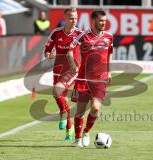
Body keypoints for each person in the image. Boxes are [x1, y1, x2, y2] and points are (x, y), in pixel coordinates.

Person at [68, 9, 113, 147]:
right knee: (80, 111)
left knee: (95, 108)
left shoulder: (109, 37)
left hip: (100, 79)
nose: (103, 23)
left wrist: (109, 72)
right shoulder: (83, 36)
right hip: (83, 79)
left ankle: (87, 132)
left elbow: (110, 54)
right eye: (101, 21)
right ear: (93, 21)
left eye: (105, 21)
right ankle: (77, 139)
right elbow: (69, 50)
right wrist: (73, 65)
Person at [43, 8, 82, 141]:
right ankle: (68, 129)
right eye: (71, 18)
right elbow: (47, 50)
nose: (74, 20)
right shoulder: (56, 33)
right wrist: (49, 55)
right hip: (58, 69)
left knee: (57, 90)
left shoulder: (79, 34)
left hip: (72, 69)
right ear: (65, 19)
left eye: (76, 18)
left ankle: (63, 114)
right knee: (59, 96)